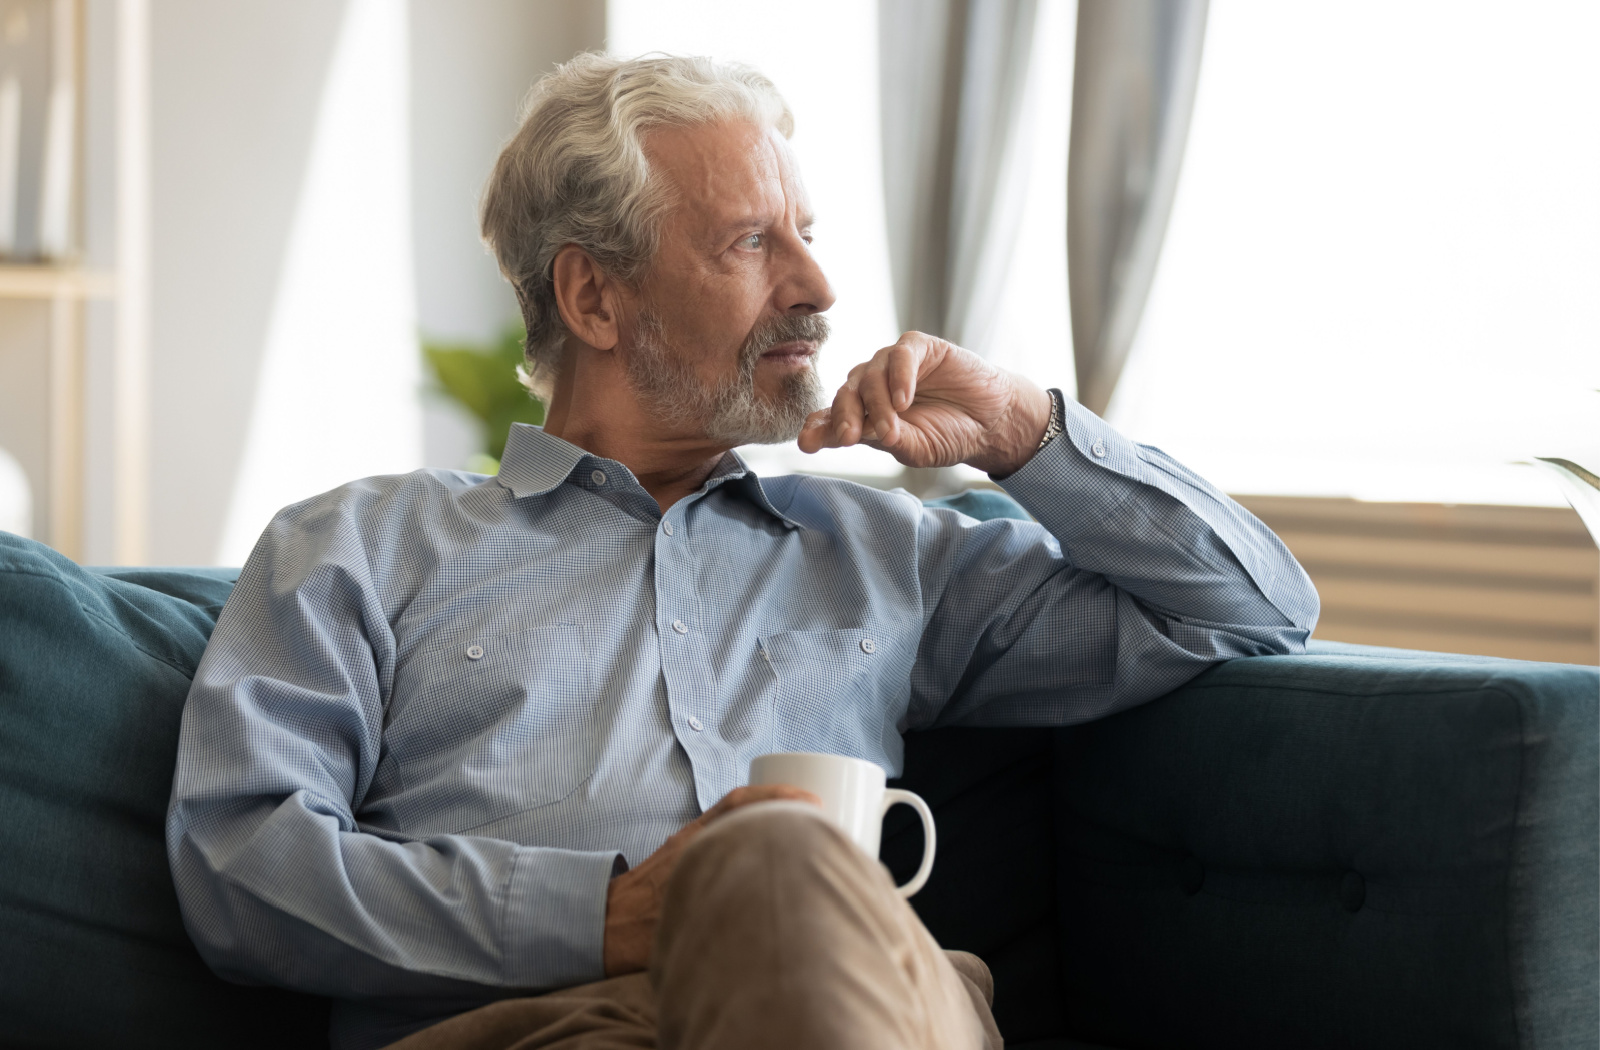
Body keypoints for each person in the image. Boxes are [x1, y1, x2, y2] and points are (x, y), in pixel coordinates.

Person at [166, 53, 1319, 1050]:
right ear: (594, 296)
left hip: (872, 1008)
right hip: (548, 1027)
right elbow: (243, 869)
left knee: (786, 874)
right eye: (753, 243)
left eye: (807, 236)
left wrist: (1029, 433)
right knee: (775, 856)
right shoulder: (363, 547)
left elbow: (1247, 609)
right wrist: (607, 917)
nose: (817, 289)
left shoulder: (886, 550)